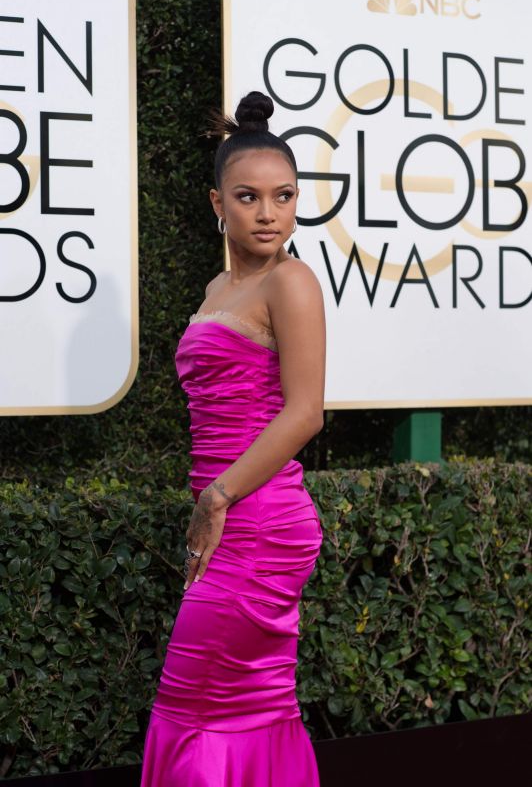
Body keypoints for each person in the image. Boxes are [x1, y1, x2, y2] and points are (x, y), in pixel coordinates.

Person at [140, 90, 326, 786]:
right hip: (232, 523)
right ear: (218, 203)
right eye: (249, 197)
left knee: (195, 709)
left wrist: (216, 497)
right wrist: (215, 502)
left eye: (284, 196)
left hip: (261, 525)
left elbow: (305, 413)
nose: (269, 213)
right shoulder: (218, 287)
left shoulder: (292, 281)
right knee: (242, 710)